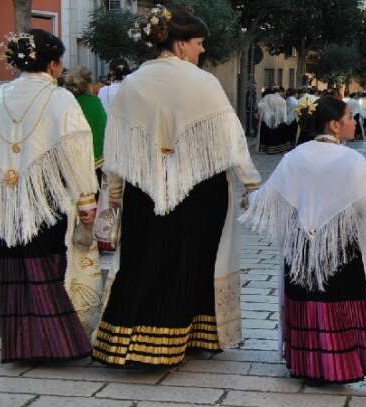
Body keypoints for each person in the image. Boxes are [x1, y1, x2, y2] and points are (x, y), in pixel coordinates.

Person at [93, 6, 261, 367]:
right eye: (199, 43)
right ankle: (190, 336)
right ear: (181, 45)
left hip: (146, 188)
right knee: (194, 260)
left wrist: (117, 194)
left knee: (144, 258)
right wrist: (251, 183)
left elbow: (116, 147)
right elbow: (231, 140)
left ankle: (132, 340)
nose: (202, 50)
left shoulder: (133, 84)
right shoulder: (205, 83)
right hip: (200, 190)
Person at [241, 96, 366, 384]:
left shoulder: (295, 156)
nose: (355, 122)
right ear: (334, 125)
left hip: (302, 249)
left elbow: (266, 197)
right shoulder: (353, 160)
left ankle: (307, 364)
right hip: (340, 250)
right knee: (341, 301)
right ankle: (340, 367)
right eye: (349, 118)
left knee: (306, 301)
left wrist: (248, 199)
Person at [0, 29, 98, 362]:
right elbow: (76, 151)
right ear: (54, 65)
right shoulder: (60, 98)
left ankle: (19, 344)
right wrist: (86, 201)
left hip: (3, 199)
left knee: (11, 270)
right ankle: (56, 345)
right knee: (46, 269)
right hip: (47, 197)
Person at [65, 66, 107, 173]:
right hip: (93, 159)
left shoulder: (65, 102)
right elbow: (103, 127)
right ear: (88, 85)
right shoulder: (94, 102)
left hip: (69, 160)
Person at [257, 88, 291, 154]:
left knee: (268, 135)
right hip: (278, 121)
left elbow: (260, 107)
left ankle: (267, 149)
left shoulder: (265, 98)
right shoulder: (282, 100)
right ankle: (278, 149)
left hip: (267, 120)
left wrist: (262, 115)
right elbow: (283, 112)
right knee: (277, 135)